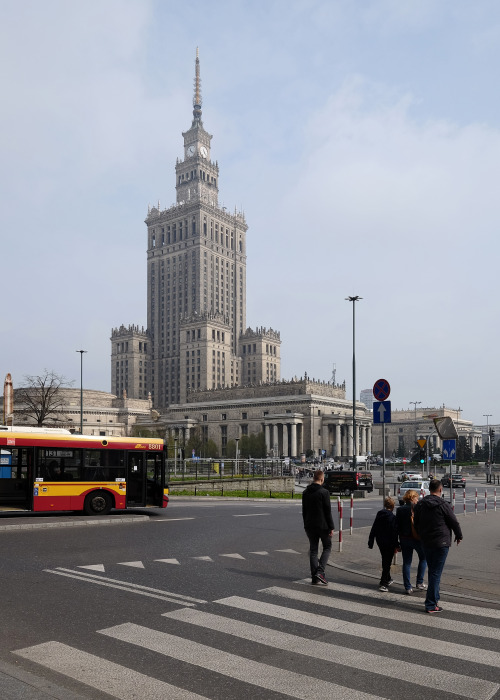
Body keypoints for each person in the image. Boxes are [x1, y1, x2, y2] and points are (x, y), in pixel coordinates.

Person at [413, 478, 463, 613]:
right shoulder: (443, 504)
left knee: (433, 571)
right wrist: (459, 536)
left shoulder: (421, 504)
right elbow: (454, 522)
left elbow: (415, 523)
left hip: (426, 542)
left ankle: (434, 599)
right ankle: (431, 604)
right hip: (441, 543)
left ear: (429, 489)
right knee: (435, 573)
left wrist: (421, 534)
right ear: (440, 489)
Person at [302, 469, 334, 585]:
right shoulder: (324, 492)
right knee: (327, 547)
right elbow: (327, 512)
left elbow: (304, 511)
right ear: (321, 479)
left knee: (313, 550)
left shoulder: (305, 492)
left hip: (310, 525)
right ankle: (320, 571)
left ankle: (314, 577)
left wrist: (305, 525)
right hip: (323, 526)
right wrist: (331, 527)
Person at [396, 490, 427, 595]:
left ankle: (408, 587)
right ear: (413, 498)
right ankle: (419, 582)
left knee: (407, 562)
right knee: (423, 558)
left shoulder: (400, 510)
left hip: (404, 539)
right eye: (417, 498)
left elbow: (397, 526)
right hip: (417, 538)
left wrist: (397, 542)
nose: (418, 500)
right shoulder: (418, 508)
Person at [368, 497, 399, 592]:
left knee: (384, 559)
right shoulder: (393, 518)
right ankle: (383, 583)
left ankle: (388, 578)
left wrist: (371, 541)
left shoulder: (379, 514)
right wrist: (397, 545)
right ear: (393, 506)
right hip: (389, 542)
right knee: (387, 562)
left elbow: (374, 527)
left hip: (380, 541)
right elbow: (394, 533)